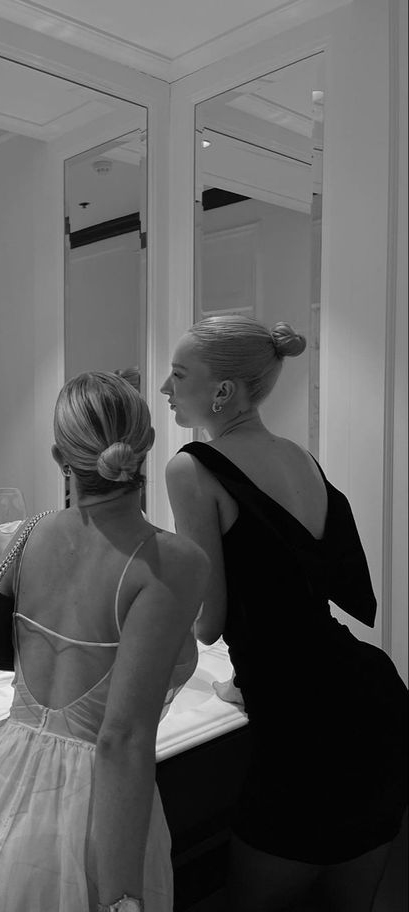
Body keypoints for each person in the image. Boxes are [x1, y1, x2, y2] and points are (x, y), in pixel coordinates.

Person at [0, 371, 208, 912]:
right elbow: (121, 740)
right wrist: (123, 899)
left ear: (58, 457)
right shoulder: (172, 563)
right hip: (95, 813)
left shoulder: (31, 534)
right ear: (144, 448)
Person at [162, 314, 408, 912]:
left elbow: (210, 621)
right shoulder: (301, 457)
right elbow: (290, 597)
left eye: (178, 374)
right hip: (373, 698)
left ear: (222, 392)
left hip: (305, 728)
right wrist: (243, 682)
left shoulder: (192, 467)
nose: (166, 389)